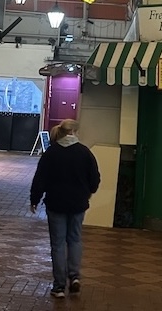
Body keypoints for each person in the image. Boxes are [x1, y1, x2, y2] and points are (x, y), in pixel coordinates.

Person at [30, 119, 100, 298]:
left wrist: (34, 199)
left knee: (58, 244)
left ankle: (59, 286)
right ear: (74, 132)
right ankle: (74, 276)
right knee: (75, 239)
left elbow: (40, 179)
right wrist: (88, 192)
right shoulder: (85, 153)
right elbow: (94, 179)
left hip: (56, 203)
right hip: (78, 204)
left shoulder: (51, 153)